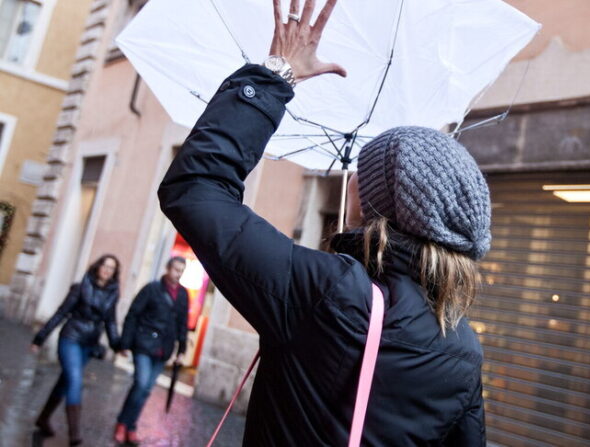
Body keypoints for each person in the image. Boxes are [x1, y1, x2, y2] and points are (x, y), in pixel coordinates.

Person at [157, 0, 488, 445]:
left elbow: (196, 187)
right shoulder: (464, 350)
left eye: (362, 179)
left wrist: (276, 73)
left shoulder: (327, 294)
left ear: (373, 205)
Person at [31, 254, 122, 446]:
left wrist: (117, 345)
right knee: (75, 380)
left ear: (114, 273)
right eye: (104, 265)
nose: (107, 270)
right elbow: (61, 312)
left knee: (65, 382)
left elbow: (111, 322)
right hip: (70, 338)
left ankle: (43, 419)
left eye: (111, 268)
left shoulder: (113, 294)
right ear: (97, 267)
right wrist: (40, 338)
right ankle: (75, 435)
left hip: (88, 345)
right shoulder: (81, 286)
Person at [113, 256, 189, 443]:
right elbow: (133, 314)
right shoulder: (152, 288)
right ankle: (122, 424)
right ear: (167, 268)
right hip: (144, 344)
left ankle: (131, 426)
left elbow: (182, 323)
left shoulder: (183, 294)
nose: (178, 274)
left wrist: (182, 349)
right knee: (140, 383)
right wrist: (125, 343)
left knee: (146, 389)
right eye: (175, 269)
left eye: (181, 271)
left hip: (164, 349)